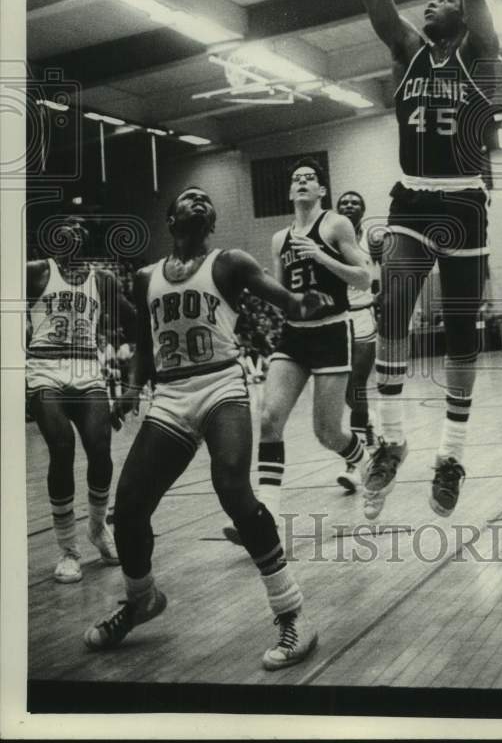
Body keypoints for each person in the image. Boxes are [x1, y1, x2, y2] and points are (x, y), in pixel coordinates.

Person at [84, 187, 324, 670]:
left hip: (221, 387)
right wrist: (132, 388)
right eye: (189, 196)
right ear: (171, 218)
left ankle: (291, 612)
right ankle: (141, 599)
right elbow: (145, 348)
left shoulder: (230, 262)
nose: (199, 200)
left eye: (206, 200)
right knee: (129, 506)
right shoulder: (146, 277)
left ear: (211, 221)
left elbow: (287, 302)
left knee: (232, 485)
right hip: (170, 396)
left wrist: (305, 303)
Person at [353, 0, 501, 519]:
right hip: (412, 198)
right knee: (391, 312)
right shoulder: (405, 51)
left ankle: (451, 455)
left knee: (463, 335)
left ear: (462, 17)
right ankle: (391, 443)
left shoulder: (481, 53)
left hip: (464, 200)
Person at [224, 159, 371, 536]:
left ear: (322, 190)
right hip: (294, 334)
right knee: (270, 420)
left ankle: (367, 460)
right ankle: (263, 518)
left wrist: (321, 255)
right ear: (290, 192)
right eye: (296, 179)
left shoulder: (336, 224)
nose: (303, 182)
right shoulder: (278, 239)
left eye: (310, 179)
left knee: (327, 432)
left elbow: (366, 275)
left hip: (332, 331)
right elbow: (281, 293)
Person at [26, 215, 134, 583]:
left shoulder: (102, 280)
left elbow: (133, 320)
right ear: (54, 238)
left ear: (88, 239)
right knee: (62, 447)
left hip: (87, 369)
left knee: (101, 450)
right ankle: (68, 551)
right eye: (66, 226)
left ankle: (98, 527)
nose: (74, 230)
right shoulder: (37, 272)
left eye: (81, 226)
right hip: (45, 368)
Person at [334, 190, 380, 492]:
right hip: (336, 319)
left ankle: (354, 464)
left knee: (357, 385)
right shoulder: (328, 237)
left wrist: (386, 300)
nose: (349, 205)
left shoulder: (373, 240)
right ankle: (370, 423)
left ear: (363, 210)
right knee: (347, 393)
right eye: (344, 202)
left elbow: (388, 272)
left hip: (363, 315)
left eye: (355, 202)